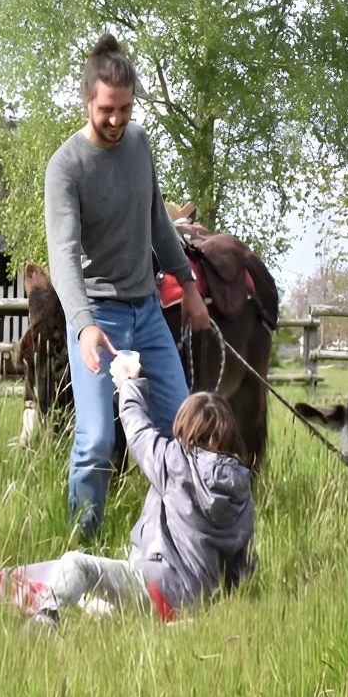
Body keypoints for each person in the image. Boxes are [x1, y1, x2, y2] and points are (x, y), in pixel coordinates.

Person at [44, 32, 211, 536]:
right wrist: (84, 326)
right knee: (97, 440)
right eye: (106, 110)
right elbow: (63, 256)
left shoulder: (139, 144)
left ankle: (180, 537)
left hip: (148, 312)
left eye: (125, 109)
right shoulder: (66, 168)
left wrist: (189, 286)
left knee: (182, 427)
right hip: (100, 317)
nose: (116, 120)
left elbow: (158, 221)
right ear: (87, 101)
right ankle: (81, 541)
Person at [40, 357, 256, 622]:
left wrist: (128, 383)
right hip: (199, 602)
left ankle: (46, 619)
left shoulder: (174, 462)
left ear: (185, 427)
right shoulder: (241, 487)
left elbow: (138, 429)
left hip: (156, 589)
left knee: (76, 563)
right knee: (99, 606)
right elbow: (240, 561)